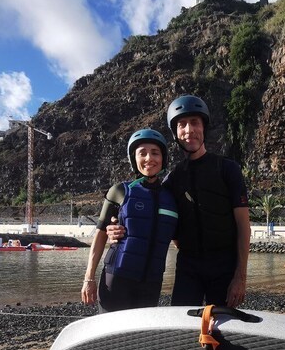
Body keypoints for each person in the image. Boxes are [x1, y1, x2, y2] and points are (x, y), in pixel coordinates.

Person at [107, 95, 250, 308]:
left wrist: (240, 277)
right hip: (188, 267)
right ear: (175, 133)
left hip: (224, 266)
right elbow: (154, 218)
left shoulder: (227, 169)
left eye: (195, 122)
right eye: (182, 124)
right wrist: (116, 228)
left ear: (204, 128)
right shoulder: (172, 179)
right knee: (182, 332)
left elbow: (243, 225)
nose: (189, 130)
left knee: (222, 331)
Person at [81, 129, 178, 312]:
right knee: (111, 338)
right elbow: (101, 235)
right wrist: (89, 278)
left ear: (163, 158)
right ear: (134, 159)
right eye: (142, 153)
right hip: (117, 279)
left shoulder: (172, 198)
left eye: (155, 153)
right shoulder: (119, 191)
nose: (149, 158)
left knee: (140, 339)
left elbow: (177, 237)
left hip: (151, 284)